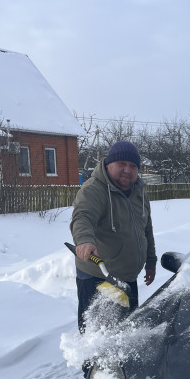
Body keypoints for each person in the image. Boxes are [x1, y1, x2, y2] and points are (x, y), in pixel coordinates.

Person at [70, 140, 157, 336]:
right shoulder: (94, 189)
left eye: (133, 166)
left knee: (126, 334)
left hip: (127, 277)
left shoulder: (139, 194)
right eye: (122, 164)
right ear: (108, 164)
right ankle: (91, 368)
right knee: (97, 337)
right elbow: (83, 215)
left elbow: (147, 230)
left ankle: (123, 368)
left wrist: (151, 262)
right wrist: (84, 239)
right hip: (98, 276)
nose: (127, 170)